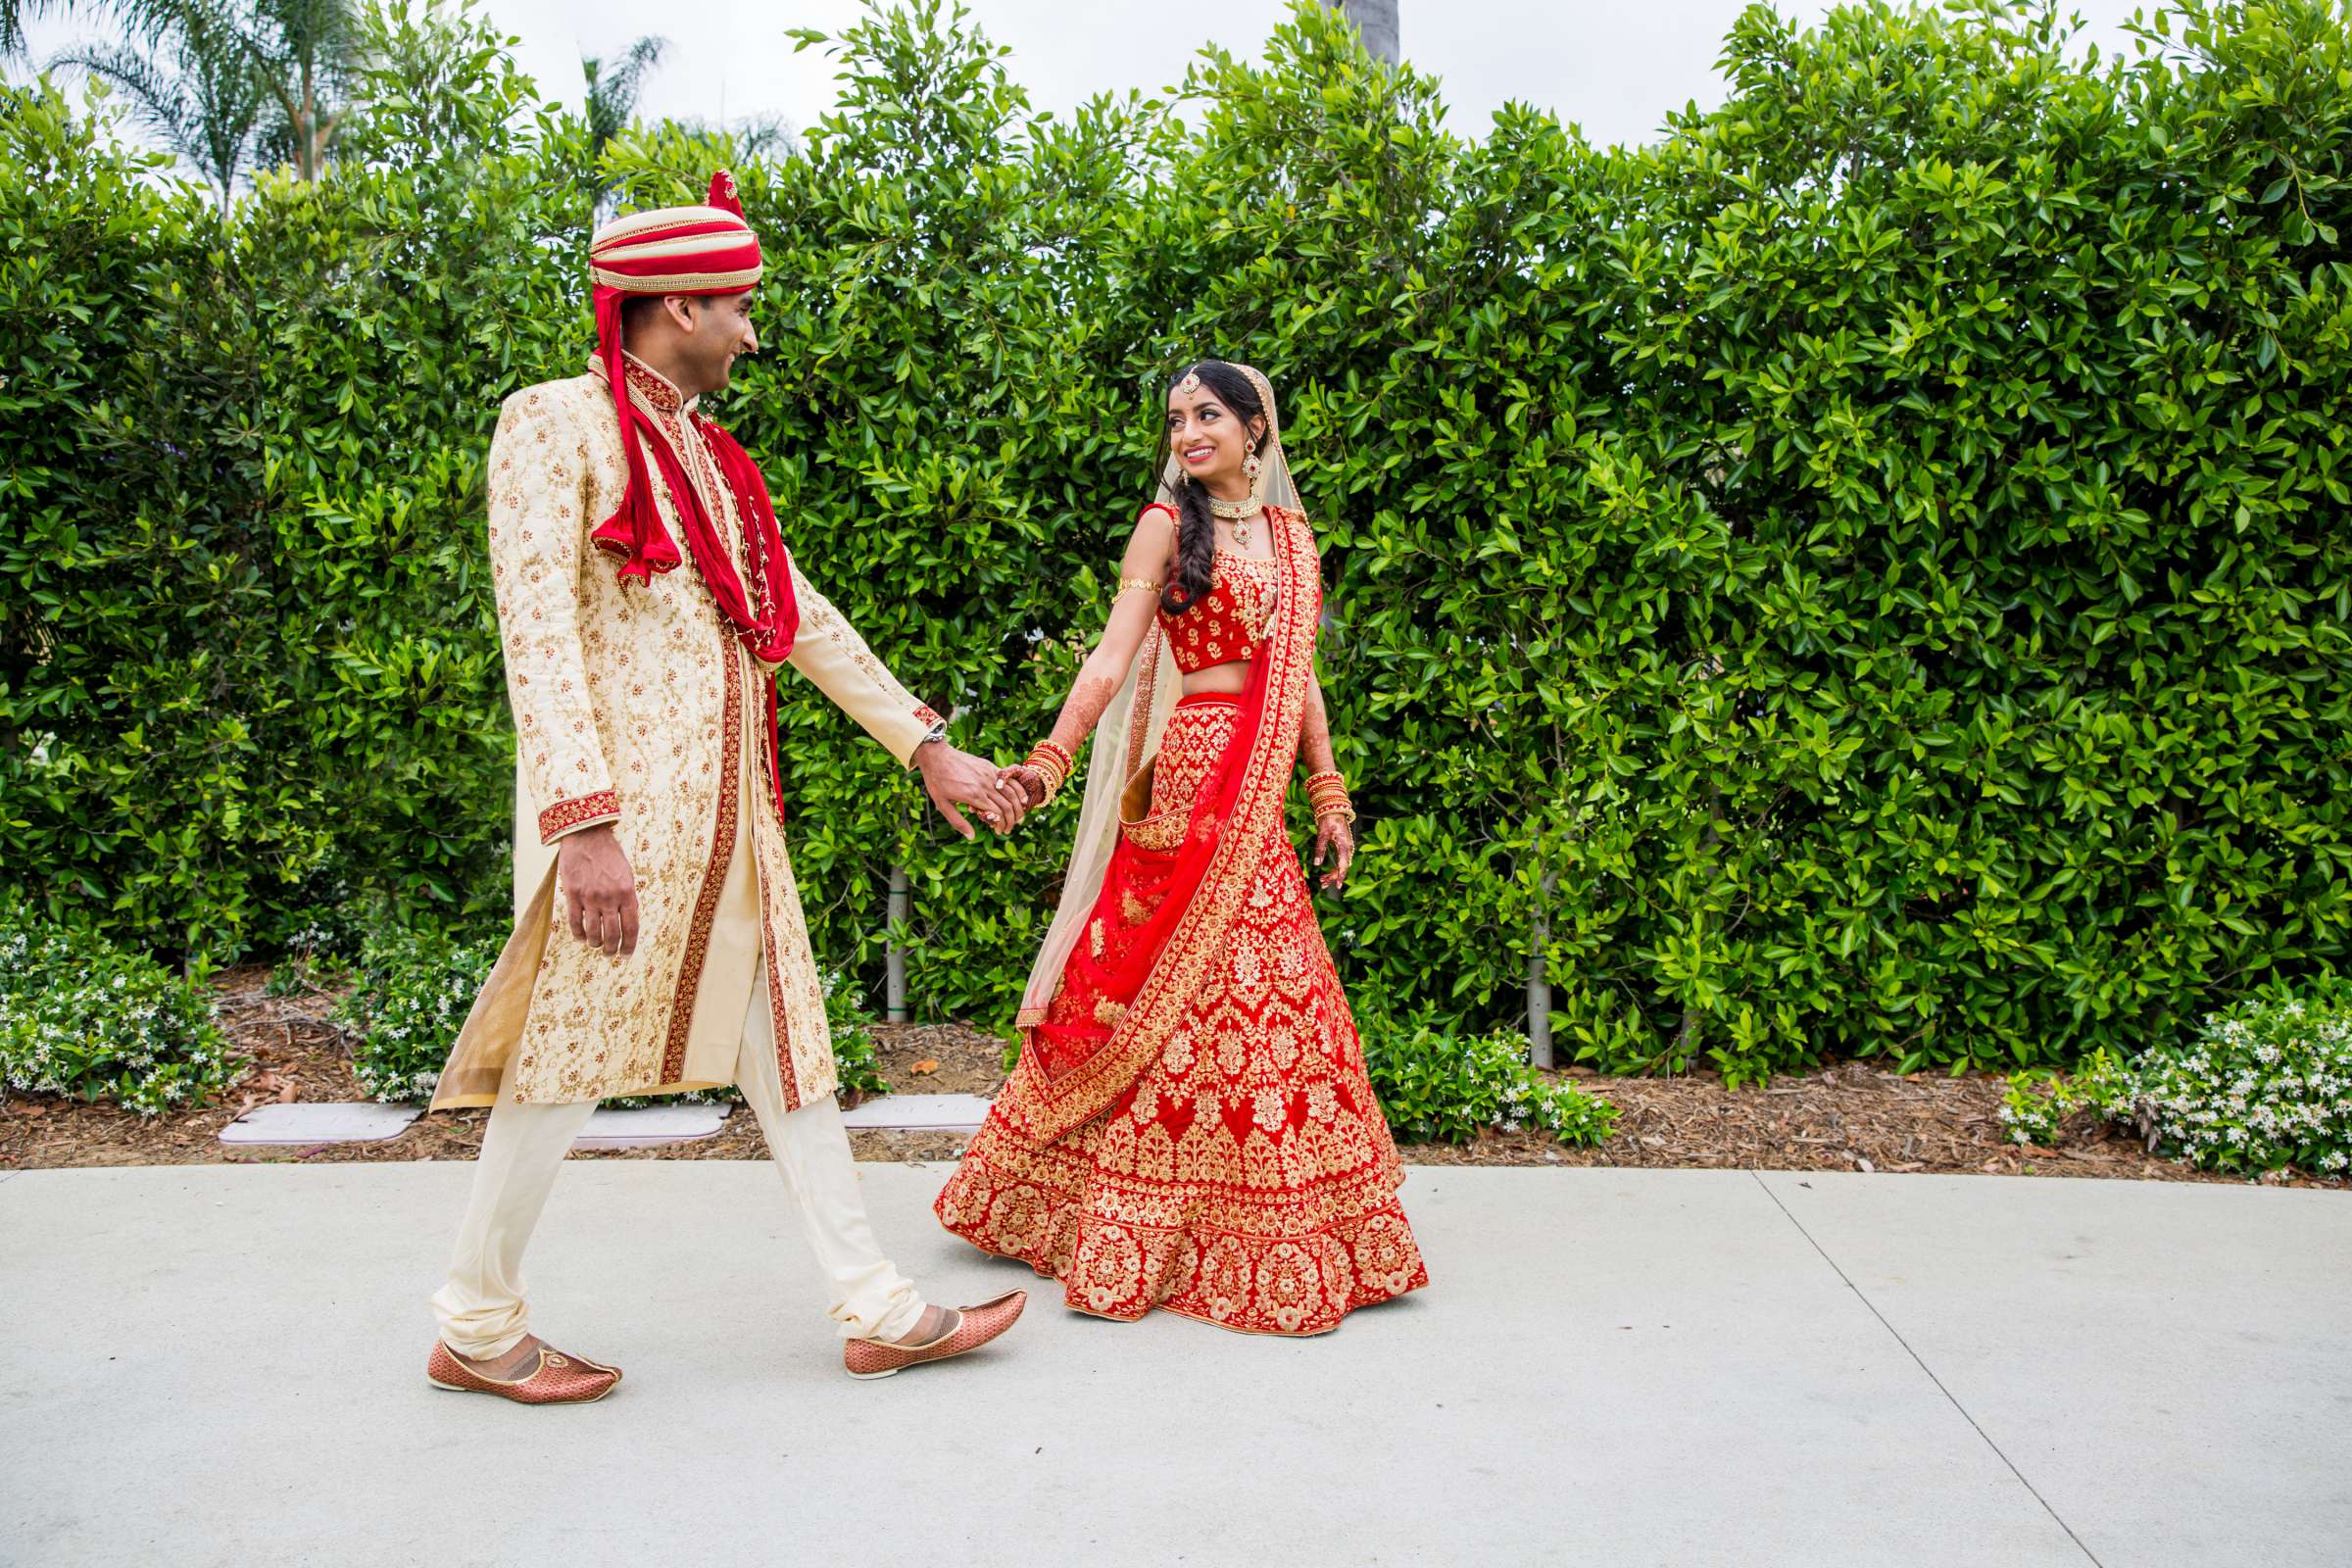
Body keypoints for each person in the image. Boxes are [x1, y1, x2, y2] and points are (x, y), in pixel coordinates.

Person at [422, 172, 1030, 1402]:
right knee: (560, 1063)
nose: (753, 332)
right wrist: (584, 824)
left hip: (732, 820)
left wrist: (922, 742)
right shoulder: (552, 422)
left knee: (793, 1049)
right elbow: (534, 629)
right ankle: (477, 1322)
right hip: (617, 829)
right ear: (676, 304)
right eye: (740, 308)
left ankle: (877, 1305)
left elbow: (792, 612)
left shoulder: (710, 457)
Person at [933, 360, 1427, 1336]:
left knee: (1269, 986)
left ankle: (1269, 1212)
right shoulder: (1164, 526)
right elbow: (1112, 657)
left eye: (1207, 416)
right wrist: (1049, 761)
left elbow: (1301, 676)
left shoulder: (1292, 538)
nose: (1187, 433)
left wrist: (1329, 792)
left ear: (1255, 429)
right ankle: (1123, 1210)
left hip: (1261, 782)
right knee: (1169, 982)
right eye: (1175, 420)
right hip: (1198, 772)